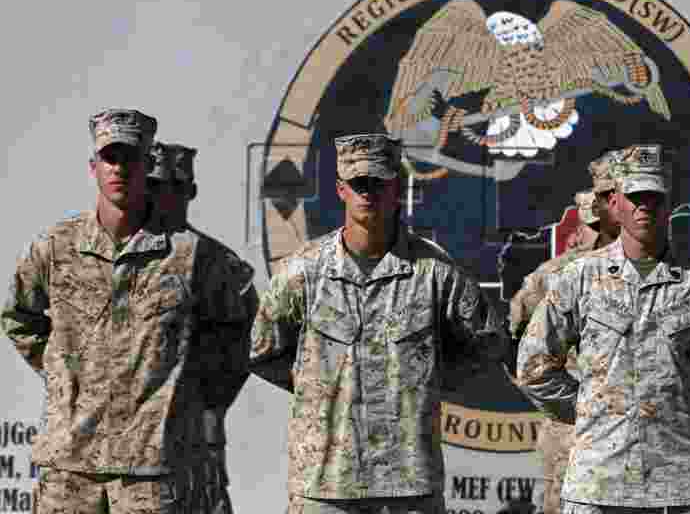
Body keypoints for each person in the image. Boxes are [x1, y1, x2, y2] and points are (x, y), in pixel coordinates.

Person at [1, 108, 255, 513]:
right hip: (70, 467)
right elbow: (18, 318)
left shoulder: (191, 255)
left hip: (153, 471)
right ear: (93, 167)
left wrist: (183, 393)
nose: (119, 168)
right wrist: (66, 374)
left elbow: (238, 332)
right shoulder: (55, 247)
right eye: (110, 157)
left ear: (147, 165)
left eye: (131, 158)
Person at [249, 133, 509, 513]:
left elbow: (488, 343)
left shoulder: (434, 272)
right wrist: (319, 388)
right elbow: (262, 351)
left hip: (407, 483)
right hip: (326, 483)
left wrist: (427, 383)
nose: (368, 192)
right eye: (358, 184)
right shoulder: (303, 271)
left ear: (396, 188)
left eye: (379, 182)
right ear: (341, 189)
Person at [517, 144, 690, 514]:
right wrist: (591, 411)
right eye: (635, 196)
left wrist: (684, 410)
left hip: (679, 485)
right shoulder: (579, 278)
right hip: (598, 483)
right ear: (615, 203)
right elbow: (534, 365)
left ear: (669, 205)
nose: (644, 205)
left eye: (654, 197)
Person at [508, 150, 622, 514]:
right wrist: (572, 401)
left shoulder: (652, 272)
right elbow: (516, 342)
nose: (590, 234)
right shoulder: (555, 276)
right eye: (590, 224)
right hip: (571, 433)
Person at [147, 141, 257, 513]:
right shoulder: (118, 255)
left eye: (176, 187)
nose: (165, 197)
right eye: (156, 186)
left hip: (195, 433)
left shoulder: (216, 262)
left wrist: (206, 404)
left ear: (191, 191)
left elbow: (244, 346)